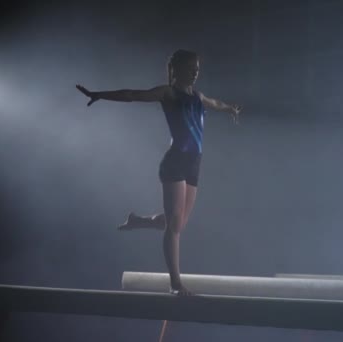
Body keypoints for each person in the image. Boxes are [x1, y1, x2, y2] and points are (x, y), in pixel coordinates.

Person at [76, 49, 242, 296]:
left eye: (198, 68)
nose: (196, 72)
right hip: (175, 162)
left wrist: (230, 109)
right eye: (191, 68)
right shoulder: (168, 93)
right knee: (174, 226)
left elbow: (215, 103)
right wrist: (98, 95)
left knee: (178, 223)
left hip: (194, 164)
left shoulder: (198, 95)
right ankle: (175, 283)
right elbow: (133, 95)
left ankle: (139, 221)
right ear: (177, 69)